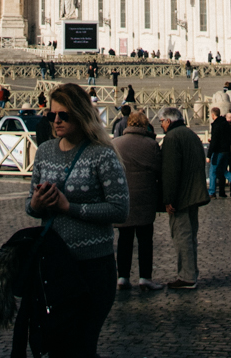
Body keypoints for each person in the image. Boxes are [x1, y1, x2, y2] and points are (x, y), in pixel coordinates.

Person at [24, 82, 130, 358]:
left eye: (64, 115)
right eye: (51, 115)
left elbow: (120, 209)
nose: (56, 121)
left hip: (93, 269)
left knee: (81, 347)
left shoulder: (102, 154)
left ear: (80, 115)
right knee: (57, 348)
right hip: (54, 267)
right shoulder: (45, 152)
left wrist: (69, 206)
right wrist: (35, 204)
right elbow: (31, 206)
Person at [158, 106, 208, 290]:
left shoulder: (172, 138)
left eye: (161, 122)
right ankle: (191, 272)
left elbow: (170, 171)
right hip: (194, 192)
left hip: (181, 195)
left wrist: (169, 199)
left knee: (182, 236)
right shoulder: (190, 133)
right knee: (190, 235)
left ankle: (186, 276)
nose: (161, 125)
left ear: (168, 121)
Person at [112, 109, 162, 290]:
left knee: (124, 239)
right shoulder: (151, 144)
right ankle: (145, 277)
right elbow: (158, 168)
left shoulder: (115, 143)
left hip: (124, 198)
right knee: (145, 240)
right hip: (145, 198)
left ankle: (122, 277)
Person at [207, 106, 231, 199]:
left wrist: (209, 155)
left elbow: (214, 141)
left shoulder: (216, 124)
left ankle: (212, 192)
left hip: (218, 151)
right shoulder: (226, 123)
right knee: (223, 170)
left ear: (213, 115)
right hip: (226, 151)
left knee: (212, 171)